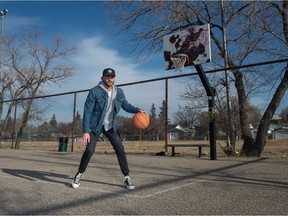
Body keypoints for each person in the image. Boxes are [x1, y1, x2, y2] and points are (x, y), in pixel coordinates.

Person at [71, 68, 145, 190]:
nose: (109, 79)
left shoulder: (119, 92)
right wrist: (85, 131)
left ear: (114, 78)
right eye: (107, 76)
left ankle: (127, 177)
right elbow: (87, 112)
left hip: (110, 126)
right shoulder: (94, 92)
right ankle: (79, 173)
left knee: (120, 149)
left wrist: (137, 110)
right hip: (95, 126)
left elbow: (125, 105)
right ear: (102, 78)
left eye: (112, 77)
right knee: (89, 150)